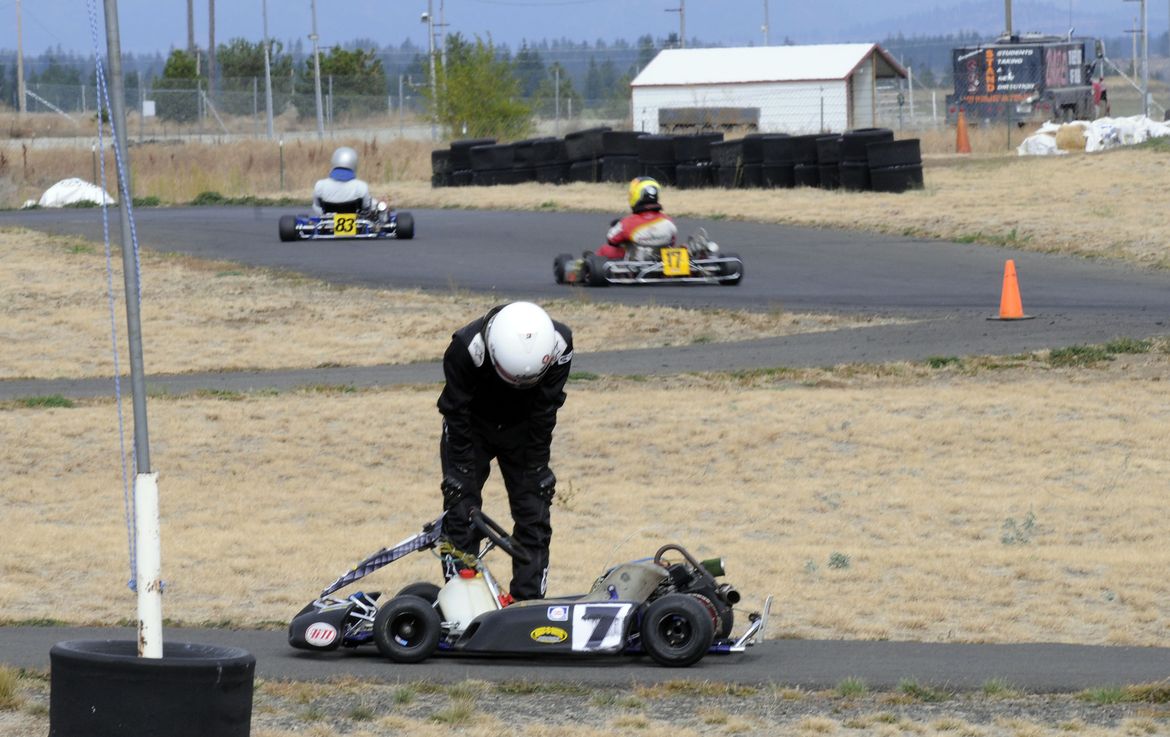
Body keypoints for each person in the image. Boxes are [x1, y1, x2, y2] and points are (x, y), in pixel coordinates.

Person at [436, 301, 573, 602]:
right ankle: (463, 602)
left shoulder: (560, 345)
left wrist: (538, 467)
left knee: (534, 509)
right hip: (471, 428)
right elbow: (454, 412)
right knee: (461, 510)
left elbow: (545, 410)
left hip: (524, 430)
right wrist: (459, 471)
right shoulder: (464, 348)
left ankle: (528, 605)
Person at [596, 176, 679, 259]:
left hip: (635, 264)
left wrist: (616, 225)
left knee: (605, 249)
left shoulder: (627, 223)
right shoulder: (668, 221)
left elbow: (611, 239)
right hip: (661, 263)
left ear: (636, 195)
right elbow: (672, 242)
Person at [312, 146, 373, 216]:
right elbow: (366, 207)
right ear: (354, 163)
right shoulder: (361, 186)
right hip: (356, 224)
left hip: (328, 223)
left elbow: (317, 207)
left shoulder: (320, 185)